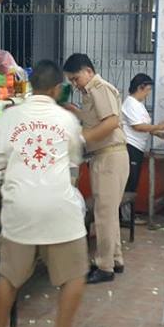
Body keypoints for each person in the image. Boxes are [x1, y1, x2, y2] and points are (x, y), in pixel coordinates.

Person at [0, 60, 90, 327]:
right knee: (73, 275)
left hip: (20, 208)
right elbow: (74, 160)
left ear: (32, 86)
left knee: (9, 276)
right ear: (57, 89)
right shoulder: (66, 119)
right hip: (59, 208)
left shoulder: (8, 117)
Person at [62, 53, 129, 284]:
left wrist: (82, 138)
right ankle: (115, 259)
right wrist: (74, 111)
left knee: (103, 214)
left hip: (109, 156)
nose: (75, 84)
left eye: (76, 78)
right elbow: (96, 119)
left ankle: (104, 266)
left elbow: (111, 122)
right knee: (109, 212)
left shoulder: (99, 88)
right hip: (107, 156)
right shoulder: (90, 92)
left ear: (88, 71)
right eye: (71, 80)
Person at [121, 74, 164, 214]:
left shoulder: (139, 104)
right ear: (140, 87)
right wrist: (158, 127)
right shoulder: (130, 103)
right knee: (129, 183)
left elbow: (145, 126)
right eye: (147, 90)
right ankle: (125, 217)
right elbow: (138, 126)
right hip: (130, 147)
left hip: (138, 148)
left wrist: (159, 133)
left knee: (133, 182)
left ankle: (128, 216)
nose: (148, 93)